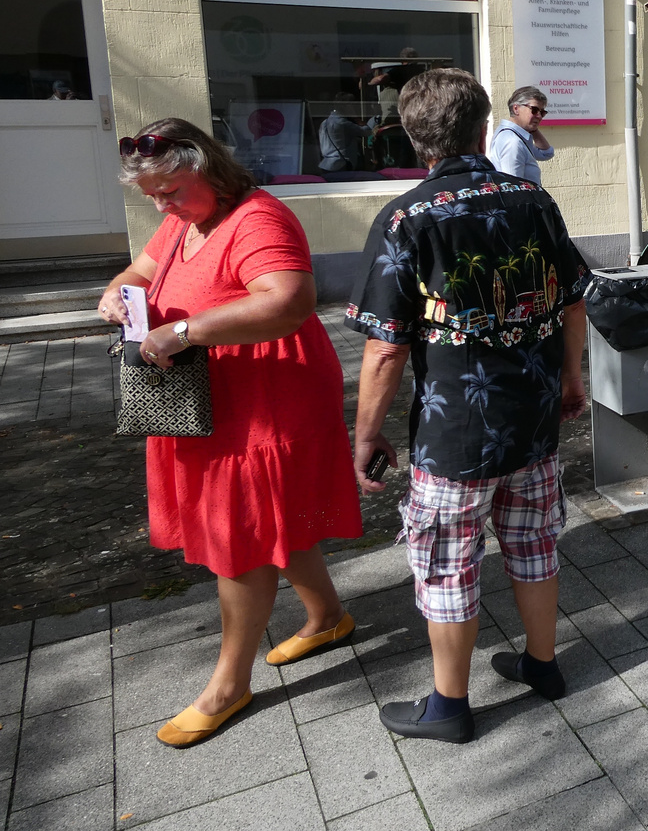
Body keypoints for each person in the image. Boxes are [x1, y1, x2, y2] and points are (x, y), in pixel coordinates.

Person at [96, 119, 362, 748]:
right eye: (152, 197)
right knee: (275, 516)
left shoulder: (257, 219)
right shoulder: (185, 216)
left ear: (209, 167)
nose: (163, 206)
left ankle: (229, 683)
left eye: (171, 191)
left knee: (238, 533)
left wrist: (184, 332)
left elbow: (289, 301)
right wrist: (116, 293)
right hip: (215, 397)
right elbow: (140, 268)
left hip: (269, 398)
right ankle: (327, 617)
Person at [346, 69, 588, 745]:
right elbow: (573, 300)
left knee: (450, 563)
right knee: (534, 543)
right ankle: (543, 666)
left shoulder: (404, 218)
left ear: (409, 135)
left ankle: (449, 707)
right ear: (485, 127)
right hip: (534, 418)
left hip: (454, 438)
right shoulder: (531, 200)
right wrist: (572, 380)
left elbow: (385, 350)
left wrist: (366, 434)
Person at [491, 85, 555, 185]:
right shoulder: (512, 141)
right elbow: (513, 187)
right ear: (516, 109)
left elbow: (546, 153)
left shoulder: (518, 135)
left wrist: (533, 129)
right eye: (534, 110)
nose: (539, 116)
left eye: (542, 112)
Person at [318, 99, 380, 172]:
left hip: (325, 165)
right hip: (339, 165)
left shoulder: (324, 123)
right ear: (345, 106)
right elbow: (366, 132)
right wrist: (374, 119)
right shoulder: (342, 123)